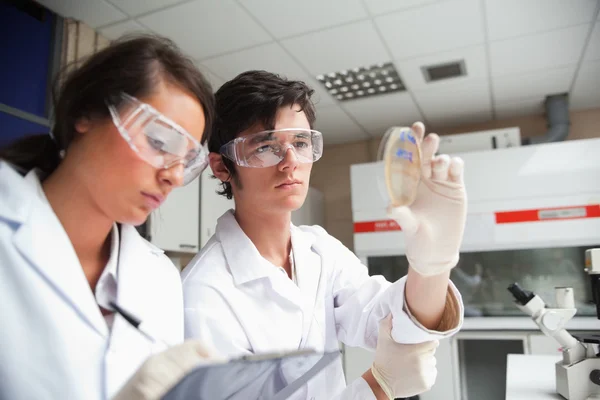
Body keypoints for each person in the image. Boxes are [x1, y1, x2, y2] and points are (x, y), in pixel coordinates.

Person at [182, 70, 466, 399]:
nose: (290, 162)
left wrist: (431, 266)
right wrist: (377, 388)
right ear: (220, 167)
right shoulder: (203, 297)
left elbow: (391, 322)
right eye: (265, 146)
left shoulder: (318, 250)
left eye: (301, 143)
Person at [0, 34, 218, 400]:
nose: (175, 177)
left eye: (186, 161)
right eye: (161, 143)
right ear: (87, 113)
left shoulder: (160, 278)